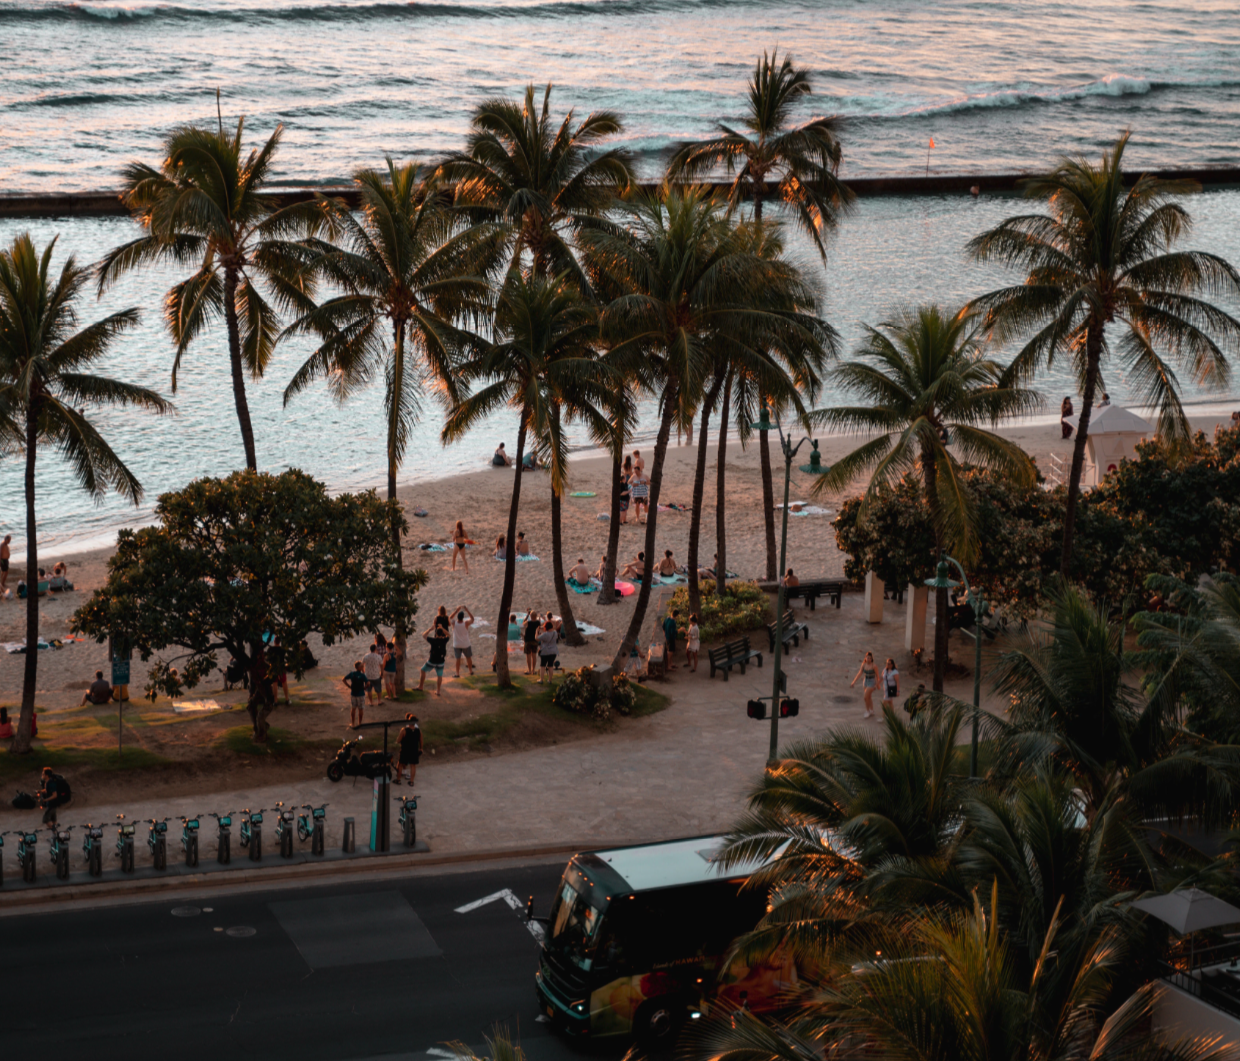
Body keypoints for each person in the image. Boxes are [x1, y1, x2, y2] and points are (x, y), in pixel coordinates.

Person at [417, 620, 450, 696]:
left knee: (422, 670)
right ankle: (438, 691)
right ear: (442, 634)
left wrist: (430, 629)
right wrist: (442, 628)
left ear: (435, 633)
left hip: (432, 660)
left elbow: (424, 635)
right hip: (441, 661)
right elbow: (449, 635)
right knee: (439, 676)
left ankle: (421, 686)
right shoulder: (444, 640)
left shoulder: (433, 640)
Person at [395, 714, 422, 786]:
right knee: (413, 765)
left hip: (405, 750)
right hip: (414, 750)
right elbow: (420, 740)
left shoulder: (404, 730)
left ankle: (398, 780)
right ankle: (411, 781)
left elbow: (398, 740)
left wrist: (398, 741)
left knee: (400, 764)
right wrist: (421, 748)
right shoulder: (418, 731)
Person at [850, 651, 878, 719]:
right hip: (865, 681)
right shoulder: (864, 665)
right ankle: (871, 710)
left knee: (865, 697)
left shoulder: (874, 666)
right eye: (867, 658)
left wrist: (876, 685)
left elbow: (877, 676)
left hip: (871, 682)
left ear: (872, 659)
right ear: (865, 658)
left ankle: (867, 711)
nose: (868, 659)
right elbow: (860, 673)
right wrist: (854, 682)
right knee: (869, 697)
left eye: (870, 658)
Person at [452, 605, 475, 677]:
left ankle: (457, 673)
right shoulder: (466, 623)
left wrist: (456, 610)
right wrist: (467, 610)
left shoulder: (454, 623)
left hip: (457, 644)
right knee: (468, 658)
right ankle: (470, 671)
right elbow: (472, 619)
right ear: (463, 617)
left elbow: (449, 618)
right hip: (465, 644)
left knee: (457, 659)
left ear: (457, 617)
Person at [343, 661, 368, 728]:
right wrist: (365, 688)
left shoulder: (352, 674)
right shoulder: (363, 675)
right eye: (362, 666)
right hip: (361, 694)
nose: (363, 667)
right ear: (359, 668)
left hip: (353, 693)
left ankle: (353, 723)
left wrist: (349, 686)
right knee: (360, 709)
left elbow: (344, 679)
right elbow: (368, 683)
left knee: (353, 708)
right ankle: (359, 723)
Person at [537, 619, 559, 683]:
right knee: (550, 665)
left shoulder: (545, 634)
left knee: (542, 665)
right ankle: (550, 680)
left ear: (546, 627)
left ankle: (541, 679)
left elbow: (537, 638)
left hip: (545, 651)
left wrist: (536, 631)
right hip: (553, 651)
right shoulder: (555, 633)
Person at [270, 637, 290, 705]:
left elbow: (268, 659)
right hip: (281, 667)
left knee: (274, 683)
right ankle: (287, 699)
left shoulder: (271, 649)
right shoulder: (283, 649)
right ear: (280, 642)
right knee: (284, 682)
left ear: (274, 641)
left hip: (274, 667)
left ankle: (275, 701)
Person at [522, 610, 541, 676]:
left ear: (530, 616)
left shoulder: (528, 622)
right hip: (535, 640)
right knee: (534, 655)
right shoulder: (538, 622)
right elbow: (539, 629)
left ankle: (529, 670)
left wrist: (527, 616)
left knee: (528, 655)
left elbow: (523, 623)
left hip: (528, 640)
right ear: (536, 616)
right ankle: (533, 670)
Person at [619, 455, 633, 524]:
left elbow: (619, 467)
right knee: (627, 487)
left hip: (624, 476)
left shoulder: (624, 464)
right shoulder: (631, 465)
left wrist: (623, 473)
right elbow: (632, 471)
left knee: (625, 485)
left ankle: (623, 520)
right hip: (629, 477)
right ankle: (623, 520)